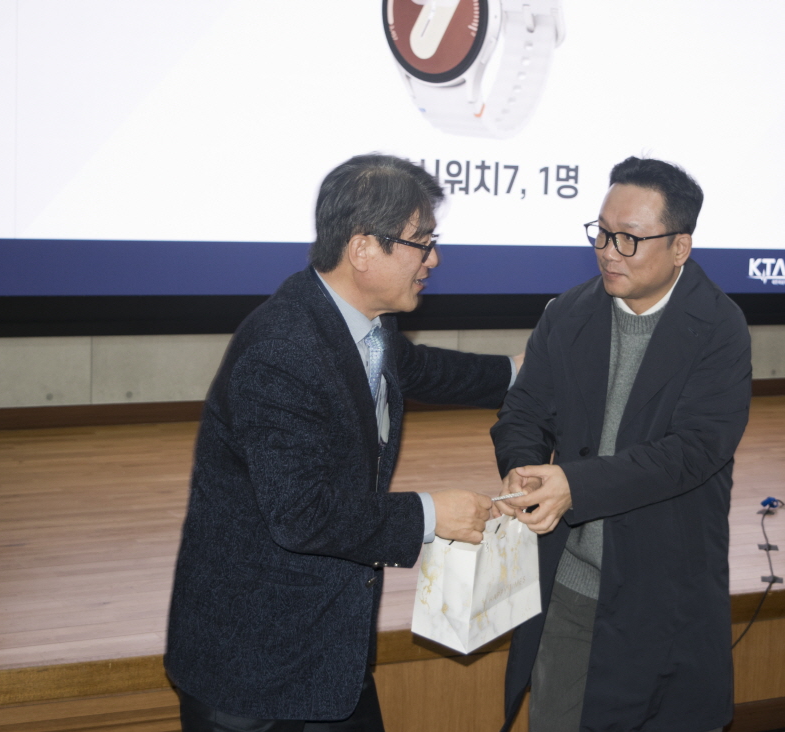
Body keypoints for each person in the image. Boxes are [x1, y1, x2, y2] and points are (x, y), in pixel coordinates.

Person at [165, 154, 516, 731]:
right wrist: (433, 515)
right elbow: (302, 515)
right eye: (422, 243)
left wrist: (520, 372)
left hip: (328, 650)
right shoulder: (282, 351)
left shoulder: (361, 320)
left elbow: (418, 368)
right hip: (253, 670)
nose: (434, 258)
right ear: (363, 249)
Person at [492, 157, 752, 732]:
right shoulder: (569, 312)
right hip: (570, 582)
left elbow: (691, 451)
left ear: (680, 247)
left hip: (662, 590)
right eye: (602, 232)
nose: (609, 251)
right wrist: (524, 469)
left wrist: (575, 485)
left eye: (629, 239)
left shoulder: (719, 328)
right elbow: (523, 411)